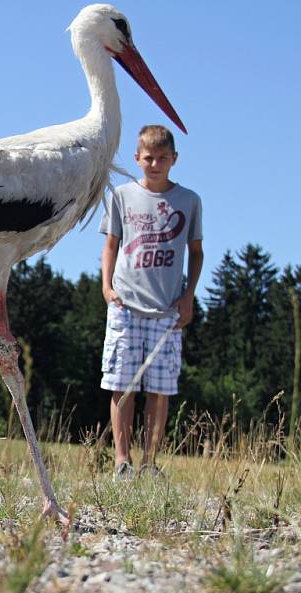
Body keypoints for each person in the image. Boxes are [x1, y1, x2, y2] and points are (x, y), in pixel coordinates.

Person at [99, 124, 203, 480]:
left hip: (167, 308)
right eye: (148, 158)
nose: (155, 164)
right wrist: (107, 288)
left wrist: (188, 297)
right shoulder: (122, 196)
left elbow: (196, 251)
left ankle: (150, 462)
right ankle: (122, 461)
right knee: (122, 383)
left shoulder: (188, 201)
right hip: (126, 304)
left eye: (162, 158)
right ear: (137, 158)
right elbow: (110, 244)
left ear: (174, 159)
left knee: (159, 388)